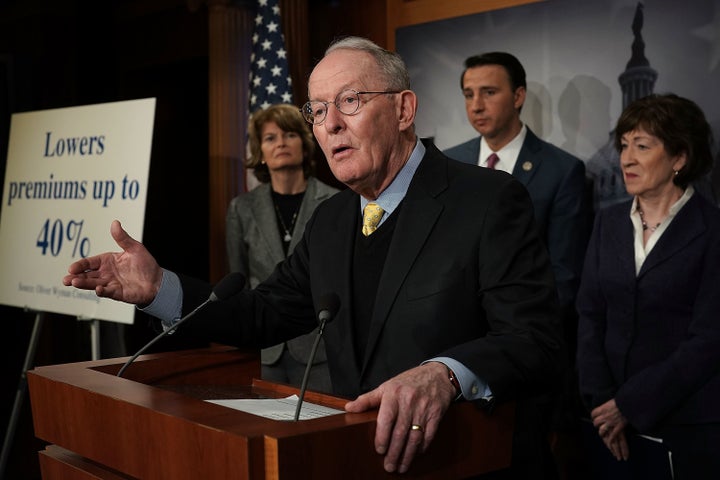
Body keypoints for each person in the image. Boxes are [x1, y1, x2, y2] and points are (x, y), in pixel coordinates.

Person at [63, 36, 563, 478]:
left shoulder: (487, 200)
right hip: (354, 461)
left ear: (405, 109)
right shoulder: (330, 222)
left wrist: (447, 373)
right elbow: (261, 314)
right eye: (318, 111)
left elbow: (535, 339)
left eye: (351, 100)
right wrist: (159, 289)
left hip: (467, 462)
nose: (332, 125)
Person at [443, 52, 590, 476]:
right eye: (469, 94)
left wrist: (505, 341)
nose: (476, 104)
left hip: (523, 362)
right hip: (453, 356)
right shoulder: (448, 166)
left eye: (489, 92)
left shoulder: (562, 171)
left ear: (519, 95)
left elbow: (564, 277)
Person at [576, 93, 720, 479]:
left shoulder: (712, 231)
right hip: (606, 423)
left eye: (642, 146)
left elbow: (708, 340)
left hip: (686, 424)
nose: (626, 158)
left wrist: (630, 403)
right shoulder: (607, 223)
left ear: (679, 158)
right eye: (623, 146)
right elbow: (589, 316)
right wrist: (603, 402)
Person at [226, 103, 338, 393]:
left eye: (290, 135)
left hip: (320, 350)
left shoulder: (335, 203)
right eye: (270, 138)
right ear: (260, 152)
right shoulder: (242, 208)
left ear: (304, 143)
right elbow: (237, 282)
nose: (281, 144)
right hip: (265, 350)